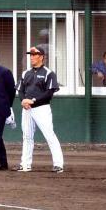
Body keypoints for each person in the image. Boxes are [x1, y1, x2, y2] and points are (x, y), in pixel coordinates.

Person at [17, 45, 64, 173]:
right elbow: (20, 90)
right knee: (27, 136)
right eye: (31, 55)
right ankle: (25, 164)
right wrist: (23, 101)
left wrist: (33, 101)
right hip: (27, 109)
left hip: (41, 108)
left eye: (34, 55)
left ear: (42, 57)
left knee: (49, 135)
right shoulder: (26, 73)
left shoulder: (49, 73)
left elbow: (49, 93)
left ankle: (58, 164)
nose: (32, 57)